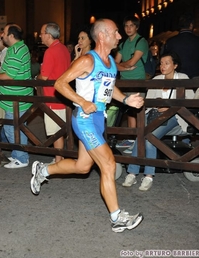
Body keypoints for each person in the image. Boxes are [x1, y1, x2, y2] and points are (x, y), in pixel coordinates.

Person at [30, 18, 144, 233]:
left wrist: (126, 100)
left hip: (98, 119)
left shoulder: (109, 61)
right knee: (108, 164)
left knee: (83, 167)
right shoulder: (87, 61)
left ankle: (43, 170)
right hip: (84, 119)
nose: (119, 36)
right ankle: (117, 217)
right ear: (102, 36)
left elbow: (109, 88)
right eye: (116, 32)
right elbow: (60, 83)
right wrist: (82, 101)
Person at [122, 52, 194, 191]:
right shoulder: (157, 79)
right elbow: (148, 104)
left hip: (176, 117)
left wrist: (170, 107)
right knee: (141, 135)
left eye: (167, 63)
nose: (163, 66)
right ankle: (132, 172)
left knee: (150, 137)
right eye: (161, 63)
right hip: (156, 117)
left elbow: (190, 102)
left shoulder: (183, 78)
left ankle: (148, 175)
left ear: (175, 65)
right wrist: (157, 106)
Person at [0, 23, 33, 169]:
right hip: (14, 97)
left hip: (16, 98)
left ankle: (22, 157)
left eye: (4, 33)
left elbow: (9, 75)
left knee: (12, 128)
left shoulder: (17, 50)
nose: (3, 35)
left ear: (11, 36)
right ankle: (18, 153)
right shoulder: (16, 48)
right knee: (17, 127)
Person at [36, 22, 71, 163]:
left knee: (55, 131)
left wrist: (36, 77)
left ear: (48, 35)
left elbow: (43, 77)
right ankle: (61, 157)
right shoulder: (64, 49)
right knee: (61, 129)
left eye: (42, 33)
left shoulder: (50, 51)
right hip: (63, 95)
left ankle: (58, 160)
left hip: (52, 96)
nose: (40, 35)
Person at [114, 15, 149, 151]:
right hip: (124, 82)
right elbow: (114, 64)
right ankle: (131, 140)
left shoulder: (141, 41)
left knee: (137, 112)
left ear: (137, 27)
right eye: (126, 26)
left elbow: (133, 62)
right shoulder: (123, 43)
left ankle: (139, 142)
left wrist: (120, 65)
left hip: (137, 81)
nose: (128, 28)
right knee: (128, 112)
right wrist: (123, 66)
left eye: (131, 25)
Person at [164, 12, 199, 79]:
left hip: (177, 76)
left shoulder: (171, 41)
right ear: (191, 25)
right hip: (194, 76)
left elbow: (164, 57)